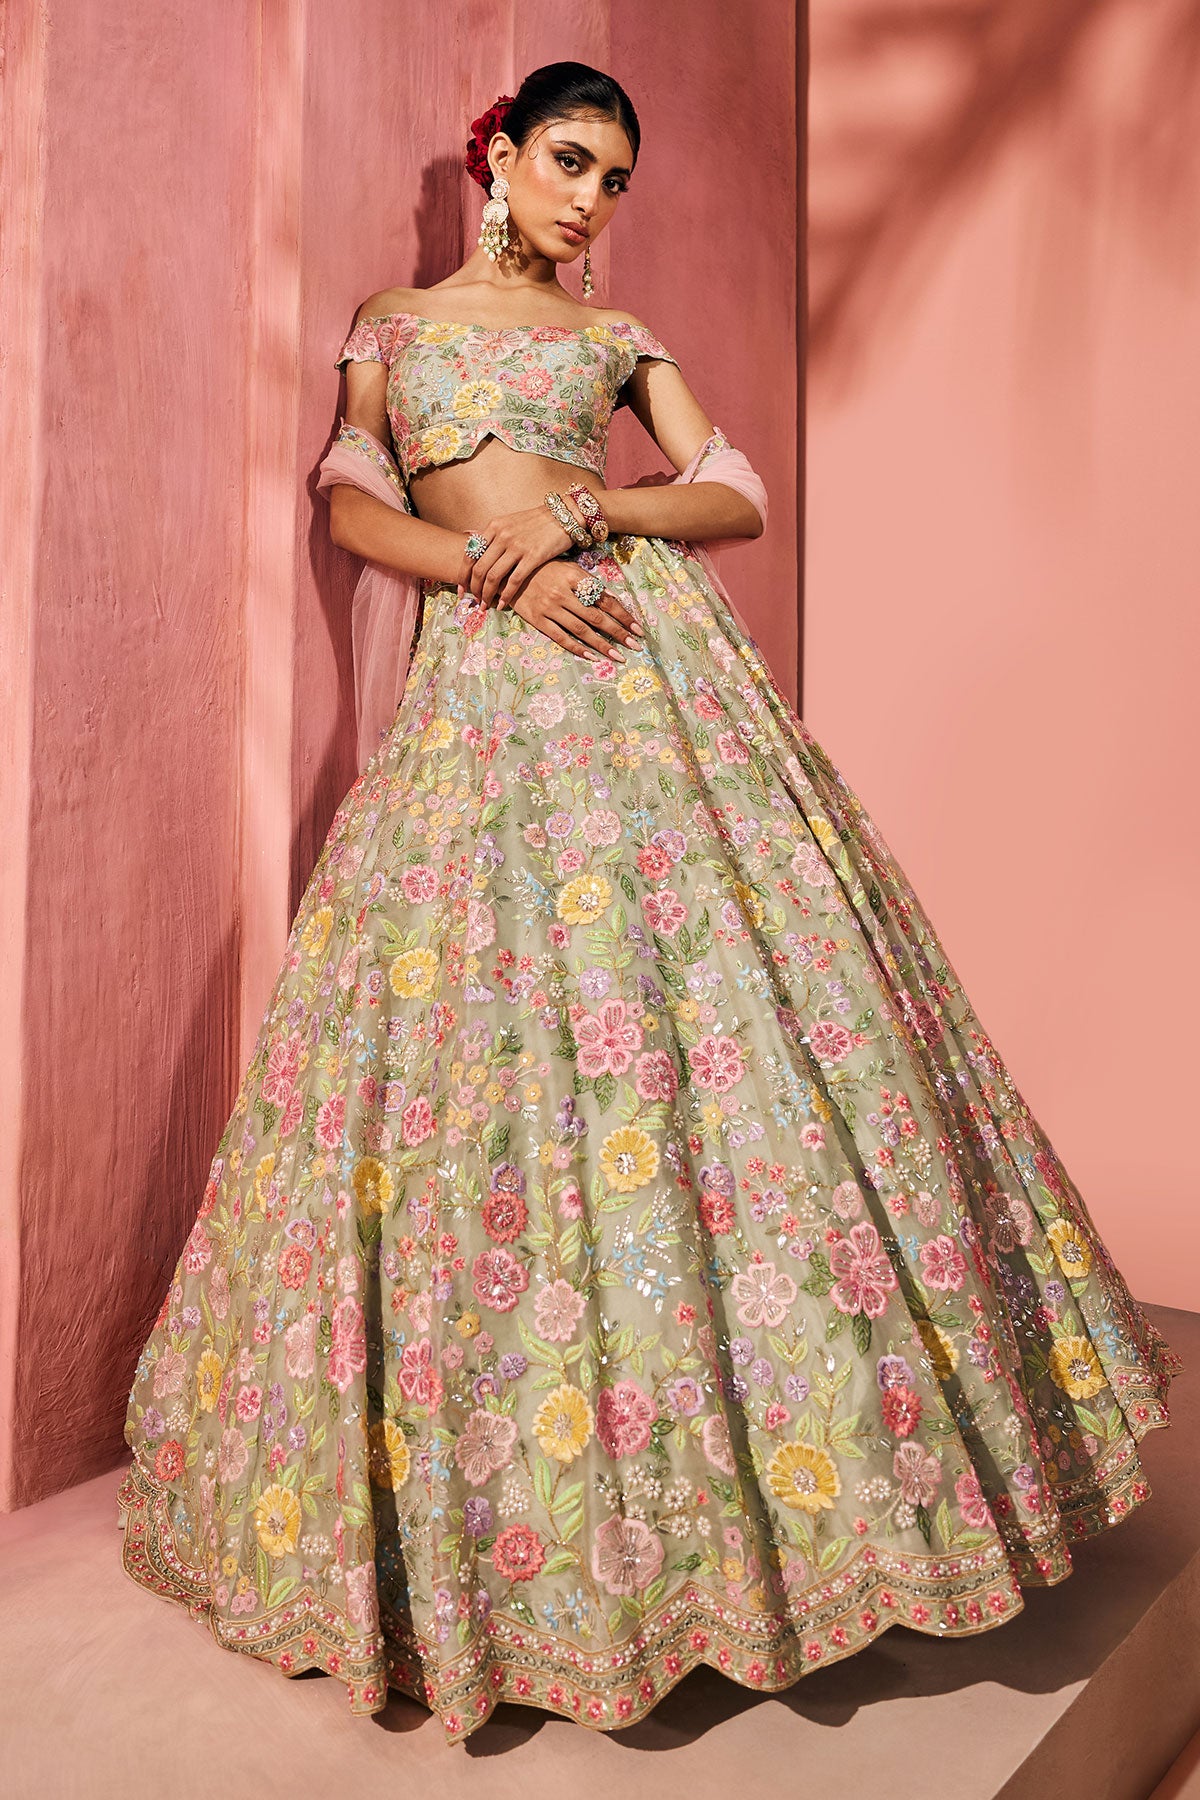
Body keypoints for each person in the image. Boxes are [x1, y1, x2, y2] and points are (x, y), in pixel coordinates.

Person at [117, 60, 1181, 1747]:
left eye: (614, 178)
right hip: (488, 689)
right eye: (567, 161)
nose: (589, 199)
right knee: (492, 1063)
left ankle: (793, 1497)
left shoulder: (616, 341)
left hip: (647, 670)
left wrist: (589, 516)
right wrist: (496, 572)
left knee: (727, 1036)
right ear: (496, 156)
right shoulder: (395, 325)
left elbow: (734, 492)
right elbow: (349, 502)